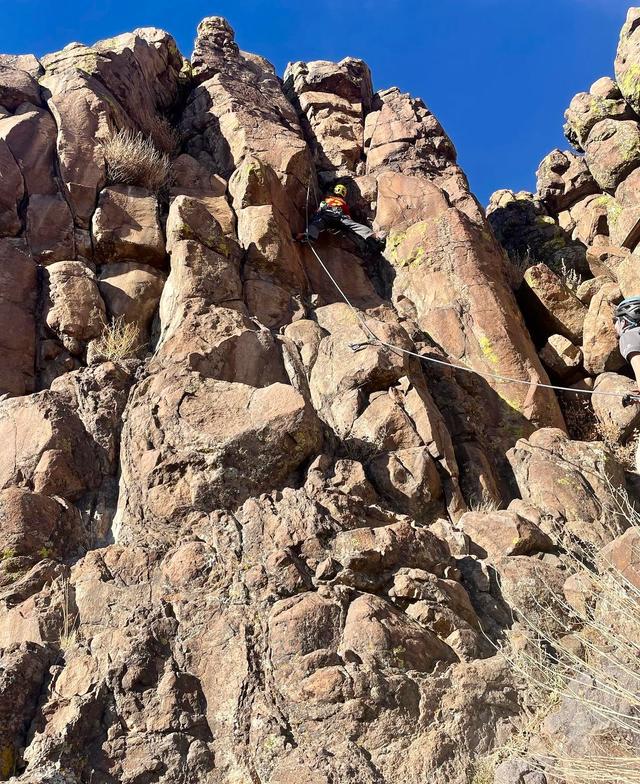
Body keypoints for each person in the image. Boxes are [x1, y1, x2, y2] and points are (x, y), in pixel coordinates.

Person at [295, 183, 385, 250]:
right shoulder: (342, 202)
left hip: (326, 215)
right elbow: (347, 216)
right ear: (344, 194)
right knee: (354, 226)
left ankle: (308, 235)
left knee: (317, 223)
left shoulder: (327, 199)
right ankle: (374, 235)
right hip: (339, 216)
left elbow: (319, 210)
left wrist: (315, 214)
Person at [614, 296, 640, 395]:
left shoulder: (629, 335)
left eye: (616, 321)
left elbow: (638, 361)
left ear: (623, 322)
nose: (615, 326)